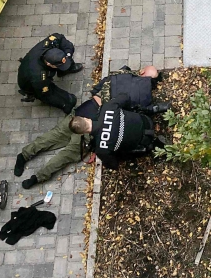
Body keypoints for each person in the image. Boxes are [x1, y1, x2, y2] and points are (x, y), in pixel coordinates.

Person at [14, 66, 161, 188]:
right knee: (65, 156)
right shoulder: (143, 96)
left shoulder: (123, 73)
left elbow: (100, 87)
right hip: (93, 127)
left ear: (142, 72)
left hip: (83, 112)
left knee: (53, 136)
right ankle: (37, 177)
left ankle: (25, 155)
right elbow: (133, 117)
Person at [17, 33, 82, 114]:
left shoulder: (51, 43)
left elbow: (61, 39)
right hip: (31, 85)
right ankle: (67, 103)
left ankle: (65, 70)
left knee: (64, 60)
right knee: (61, 97)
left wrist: (68, 56)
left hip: (37, 68)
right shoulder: (39, 77)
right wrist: (64, 103)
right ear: (48, 64)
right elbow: (47, 95)